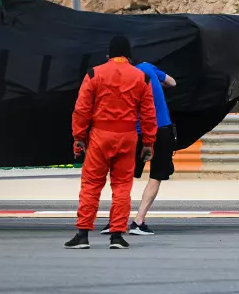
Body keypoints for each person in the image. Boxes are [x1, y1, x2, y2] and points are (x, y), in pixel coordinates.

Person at [66, 36, 157, 250]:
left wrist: (79, 137)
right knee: (122, 186)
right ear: (128, 55)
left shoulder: (94, 74)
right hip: (127, 136)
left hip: (99, 136)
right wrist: (149, 142)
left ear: (109, 54)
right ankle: (117, 235)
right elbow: (148, 114)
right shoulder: (141, 77)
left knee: (91, 185)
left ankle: (83, 235)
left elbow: (81, 109)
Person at [100, 61, 176, 236]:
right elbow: (172, 82)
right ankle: (138, 222)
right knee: (156, 176)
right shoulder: (148, 68)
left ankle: (115, 222)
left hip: (135, 133)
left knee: (124, 177)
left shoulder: (116, 77)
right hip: (161, 129)